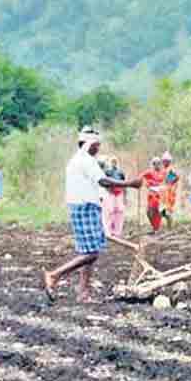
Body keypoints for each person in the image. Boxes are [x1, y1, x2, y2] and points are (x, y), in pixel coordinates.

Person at [42, 129, 142, 303]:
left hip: (84, 206)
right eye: (96, 146)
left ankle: (83, 293)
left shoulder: (79, 160)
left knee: (88, 252)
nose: (98, 149)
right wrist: (130, 184)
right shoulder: (85, 161)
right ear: (89, 145)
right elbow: (103, 181)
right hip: (84, 207)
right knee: (92, 254)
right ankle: (54, 275)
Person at [100, 155, 127, 238]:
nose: (114, 163)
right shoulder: (107, 172)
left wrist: (125, 196)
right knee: (110, 211)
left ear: (117, 163)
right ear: (111, 163)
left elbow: (124, 183)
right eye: (112, 162)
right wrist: (109, 189)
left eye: (115, 162)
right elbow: (104, 183)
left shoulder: (121, 172)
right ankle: (108, 231)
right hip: (110, 193)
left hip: (119, 193)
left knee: (119, 211)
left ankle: (117, 232)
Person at [140, 157, 167, 233]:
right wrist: (141, 183)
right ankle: (154, 227)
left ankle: (156, 228)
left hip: (160, 195)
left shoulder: (164, 172)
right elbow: (141, 176)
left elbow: (171, 180)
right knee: (148, 212)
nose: (157, 165)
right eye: (155, 163)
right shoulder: (149, 172)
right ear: (152, 164)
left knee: (157, 212)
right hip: (151, 194)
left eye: (158, 163)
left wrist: (165, 187)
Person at [160, 152, 180, 229]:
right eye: (164, 161)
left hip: (170, 192)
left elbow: (177, 176)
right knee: (163, 209)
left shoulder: (171, 169)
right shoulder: (163, 169)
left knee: (168, 209)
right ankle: (168, 225)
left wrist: (171, 183)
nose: (165, 162)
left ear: (169, 161)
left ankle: (170, 226)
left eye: (166, 161)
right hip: (164, 192)